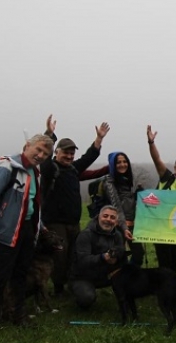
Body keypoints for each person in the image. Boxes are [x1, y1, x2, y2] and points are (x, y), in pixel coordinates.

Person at [0, 134, 53, 343]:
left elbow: (32, 203)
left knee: (21, 275)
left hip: (27, 230)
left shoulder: (35, 172)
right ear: (27, 146)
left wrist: (39, 226)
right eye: (38, 150)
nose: (40, 155)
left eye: (45, 154)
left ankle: (18, 315)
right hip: (5, 232)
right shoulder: (7, 167)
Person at [39, 115, 114, 297]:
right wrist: (49, 134)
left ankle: (71, 284)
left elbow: (89, 157)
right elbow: (44, 158)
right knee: (60, 256)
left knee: (73, 255)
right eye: (66, 152)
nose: (69, 156)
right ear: (57, 152)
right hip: (55, 222)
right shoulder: (50, 170)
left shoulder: (73, 169)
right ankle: (58, 289)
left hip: (73, 222)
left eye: (72, 153)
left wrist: (99, 139)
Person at [146, 125, 176, 272]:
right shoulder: (167, 177)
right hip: (160, 227)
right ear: (175, 167)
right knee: (164, 260)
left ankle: (172, 286)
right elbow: (156, 159)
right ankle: (164, 289)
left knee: (174, 257)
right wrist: (151, 143)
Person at [92, 151, 145, 266]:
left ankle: (129, 276)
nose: (122, 164)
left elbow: (127, 202)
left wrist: (138, 194)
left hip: (130, 224)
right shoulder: (109, 182)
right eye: (118, 162)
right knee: (118, 256)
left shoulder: (127, 180)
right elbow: (116, 207)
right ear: (112, 165)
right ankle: (117, 279)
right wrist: (125, 228)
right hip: (117, 226)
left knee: (139, 254)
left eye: (125, 161)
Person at [71, 205, 126, 309]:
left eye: (112, 217)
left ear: (116, 222)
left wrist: (117, 259)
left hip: (107, 275)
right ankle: (76, 289)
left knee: (130, 277)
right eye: (105, 216)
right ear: (98, 217)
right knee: (86, 299)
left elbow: (122, 256)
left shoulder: (118, 235)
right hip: (83, 276)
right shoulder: (85, 235)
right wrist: (102, 258)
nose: (108, 220)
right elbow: (82, 261)